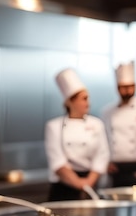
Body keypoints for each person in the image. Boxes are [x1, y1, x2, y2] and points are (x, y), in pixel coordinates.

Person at [44, 68, 109, 201]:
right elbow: (57, 161)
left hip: (91, 183)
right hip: (63, 187)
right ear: (70, 102)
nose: (88, 103)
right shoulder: (53, 126)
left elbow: (102, 155)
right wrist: (79, 183)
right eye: (84, 99)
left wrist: (89, 181)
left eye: (88, 98)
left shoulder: (97, 124)